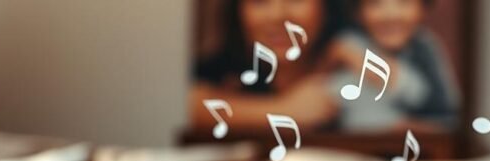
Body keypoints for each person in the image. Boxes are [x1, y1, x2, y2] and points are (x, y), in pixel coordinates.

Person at [189, 0, 346, 136]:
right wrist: (285, 111)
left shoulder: (346, 64)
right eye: (260, 1)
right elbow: (187, 105)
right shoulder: (221, 70)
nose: (277, 15)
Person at [326, 0, 460, 132]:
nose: (390, 15)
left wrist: (361, 61)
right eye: (375, 3)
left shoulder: (425, 47)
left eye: (404, 2)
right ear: (358, 12)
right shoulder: (348, 43)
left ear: (422, 9)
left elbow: (444, 107)